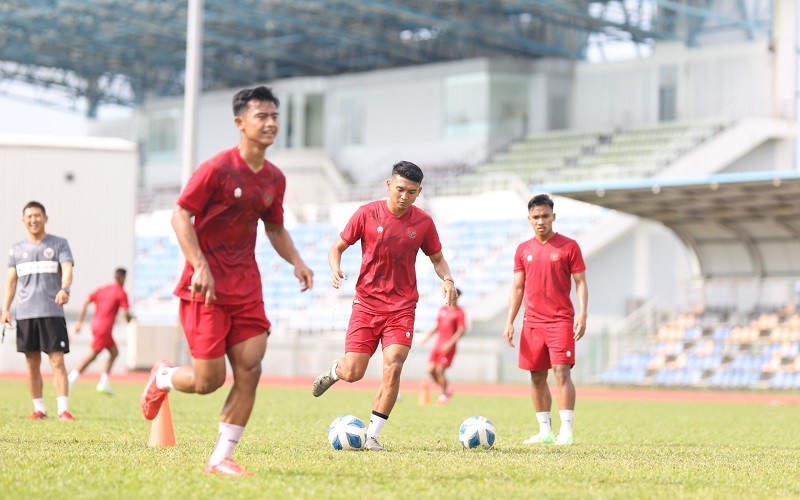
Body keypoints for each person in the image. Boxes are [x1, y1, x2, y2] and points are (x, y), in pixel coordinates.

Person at [139, 86, 314, 477]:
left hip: (246, 287)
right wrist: (199, 265)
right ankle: (163, 377)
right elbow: (180, 215)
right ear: (240, 123)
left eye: (274, 116)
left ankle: (221, 457)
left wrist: (298, 261)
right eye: (261, 117)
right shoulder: (217, 169)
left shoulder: (274, 178)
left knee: (251, 368)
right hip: (206, 288)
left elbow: (275, 227)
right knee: (208, 381)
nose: (270, 123)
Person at [311, 160, 458, 451]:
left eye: (412, 192)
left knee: (394, 365)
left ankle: (372, 435)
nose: (404, 196)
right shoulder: (366, 214)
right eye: (400, 189)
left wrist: (448, 279)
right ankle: (334, 371)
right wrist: (335, 267)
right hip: (366, 304)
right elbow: (336, 248)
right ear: (389, 185)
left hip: (402, 307)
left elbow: (437, 258)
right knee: (354, 372)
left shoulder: (423, 223)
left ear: (419, 192)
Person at [502, 194, 587, 446]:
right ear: (529, 219)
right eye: (536, 217)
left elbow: (581, 282)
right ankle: (545, 431)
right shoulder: (523, 250)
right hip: (532, 323)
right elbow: (518, 288)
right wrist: (510, 321)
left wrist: (583, 313)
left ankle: (567, 432)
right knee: (536, 376)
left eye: (545, 216)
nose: (541, 221)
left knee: (561, 371)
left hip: (560, 320)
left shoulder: (569, 246)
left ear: (554, 217)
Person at [2, 201, 75, 421]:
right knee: (31, 363)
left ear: (45, 218)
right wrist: (5, 309)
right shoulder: (16, 249)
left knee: (57, 360)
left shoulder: (59, 244)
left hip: (52, 312)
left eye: (37, 215)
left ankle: (63, 410)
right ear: (23, 220)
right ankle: (39, 408)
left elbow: (68, 269)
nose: (33, 220)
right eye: (29, 216)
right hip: (25, 314)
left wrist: (65, 289)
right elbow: (11, 283)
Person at [68, 268, 134, 395]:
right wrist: (131, 318)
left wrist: (79, 322)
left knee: (114, 352)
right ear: (122, 278)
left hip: (96, 325)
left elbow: (86, 301)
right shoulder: (121, 292)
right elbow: (125, 314)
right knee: (93, 355)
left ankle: (104, 383)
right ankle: (71, 378)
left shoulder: (103, 289)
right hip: (105, 328)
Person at [419, 289, 466, 405]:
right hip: (438, 345)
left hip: (448, 346)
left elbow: (461, 331)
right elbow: (438, 326)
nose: (452, 297)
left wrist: (450, 343)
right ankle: (446, 390)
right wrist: (428, 336)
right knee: (431, 370)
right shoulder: (442, 309)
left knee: (440, 370)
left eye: (455, 295)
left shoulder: (459, 312)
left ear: (458, 297)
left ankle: (444, 394)